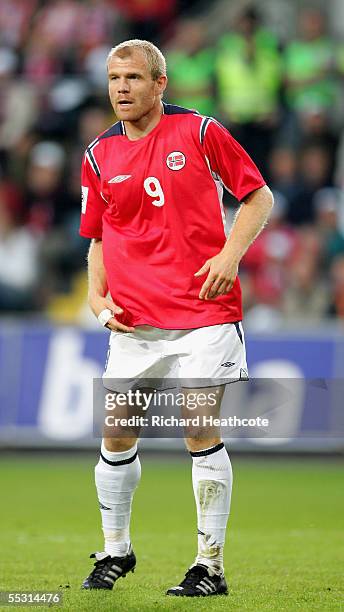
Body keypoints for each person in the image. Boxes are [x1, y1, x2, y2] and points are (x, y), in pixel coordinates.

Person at [79, 39, 273, 597]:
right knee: (116, 434)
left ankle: (208, 566)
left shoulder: (201, 132)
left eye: (133, 78)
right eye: (114, 78)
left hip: (203, 313)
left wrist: (229, 256)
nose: (121, 88)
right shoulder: (97, 155)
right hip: (135, 322)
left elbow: (258, 198)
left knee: (197, 426)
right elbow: (97, 235)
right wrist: (98, 298)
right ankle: (116, 552)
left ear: (160, 84)